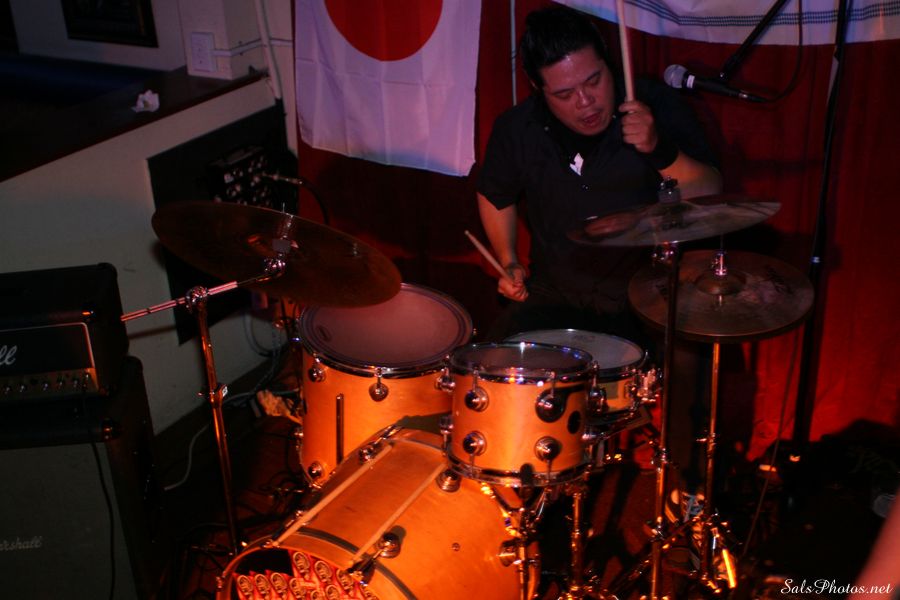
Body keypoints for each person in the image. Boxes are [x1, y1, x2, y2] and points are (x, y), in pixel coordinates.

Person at [477, 4, 722, 345]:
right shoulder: (518, 128)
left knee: (684, 359)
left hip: (646, 296)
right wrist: (508, 260)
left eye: (594, 80)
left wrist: (659, 149)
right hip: (554, 294)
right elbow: (495, 195)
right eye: (564, 94)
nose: (585, 101)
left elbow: (711, 192)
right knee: (496, 364)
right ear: (537, 87)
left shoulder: (656, 104)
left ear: (608, 62)